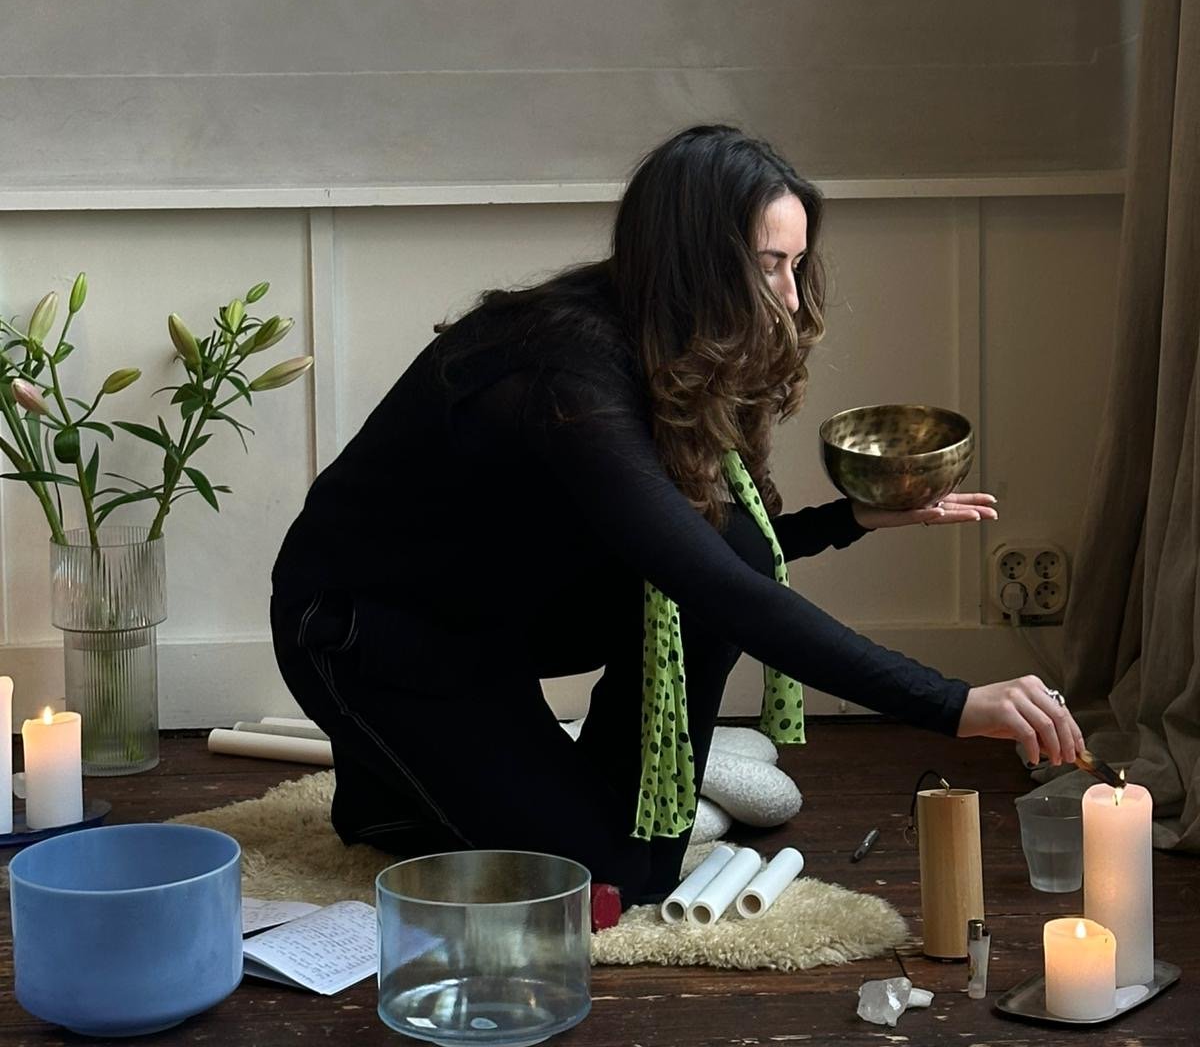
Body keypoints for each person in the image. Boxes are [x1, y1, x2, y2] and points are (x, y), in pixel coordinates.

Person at [271, 125, 1082, 904]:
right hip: (368, 633)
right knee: (613, 882)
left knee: (646, 843)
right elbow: (718, 586)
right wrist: (952, 704)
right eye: (769, 267)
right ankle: (390, 789)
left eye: (797, 265)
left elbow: (722, 555)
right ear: (700, 262)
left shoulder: (662, 335)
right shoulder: (566, 373)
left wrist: (852, 519)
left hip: (492, 617)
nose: (791, 301)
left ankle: (488, 785)